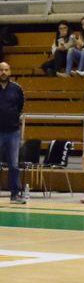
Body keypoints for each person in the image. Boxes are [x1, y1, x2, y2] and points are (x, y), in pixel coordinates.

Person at [0, 61, 24, 205]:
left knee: (14, 165)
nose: (3, 72)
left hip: (13, 132)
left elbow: (21, 106)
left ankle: (15, 195)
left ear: (10, 72)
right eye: (1, 70)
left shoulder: (17, 89)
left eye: (6, 70)